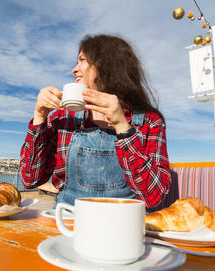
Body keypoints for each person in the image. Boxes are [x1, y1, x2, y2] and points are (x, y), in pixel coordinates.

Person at [20, 34, 171, 209]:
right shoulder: (63, 119)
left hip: (126, 227)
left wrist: (122, 127)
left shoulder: (148, 121)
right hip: (69, 223)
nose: (74, 70)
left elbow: (154, 197)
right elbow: (30, 179)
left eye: (81, 60)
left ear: (106, 66)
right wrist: (39, 117)